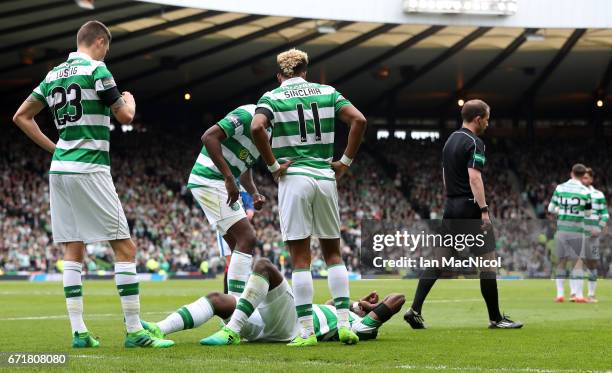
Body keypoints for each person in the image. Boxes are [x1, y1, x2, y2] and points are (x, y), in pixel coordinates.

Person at [11, 20, 173, 348]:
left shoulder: (54, 74)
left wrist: (56, 149)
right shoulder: (98, 70)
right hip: (89, 168)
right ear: (100, 42)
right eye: (107, 48)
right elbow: (125, 116)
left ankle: (79, 332)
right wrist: (130, 100)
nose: (106, 53)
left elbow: (21, 116)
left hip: (60, 170)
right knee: (125, 249)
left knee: (74, 248)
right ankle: (134, 331)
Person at [248, 48, 367, 346]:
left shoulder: (272, 97)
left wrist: (273, 165)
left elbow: (256, 127)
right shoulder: (327, 91)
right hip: (326, 177)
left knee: (301, 258)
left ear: (280, 75)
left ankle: (305, 332)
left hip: (294, 178)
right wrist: (344, 162)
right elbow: (359, 121)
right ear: (305, 71)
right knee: (334, 254)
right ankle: (343, 324)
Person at [404, 99, 522, 329]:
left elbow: (446, 174)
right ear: (478, 118)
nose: (489, 123)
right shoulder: (475, 142)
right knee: (488, 264)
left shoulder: (450, 140)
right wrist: (484, 210)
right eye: (487, 118)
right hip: (469, 207)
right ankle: (495, 318)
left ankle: (414, 309)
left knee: (439, 260)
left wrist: (453, 200)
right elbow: (475, 177)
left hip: (451, 205)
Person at [142, 258, 405, 345]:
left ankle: (232, 331)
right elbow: (326, 305)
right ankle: (158, 330)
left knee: (264, 266)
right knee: (218, 300)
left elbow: (398, 299)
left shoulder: (362, 328)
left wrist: (367, 308)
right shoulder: (342, 315)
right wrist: (354, 302)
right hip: (272, 324)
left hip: (291, 327)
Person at [187, 104, 267, 300]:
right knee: (247, 237)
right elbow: (208, 137)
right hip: (210, 179)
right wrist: (229, 178)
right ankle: (237, 308)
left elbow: (245, 172)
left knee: (238, 247)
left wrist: (255, 193)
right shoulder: (247, 115)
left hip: (216, 182)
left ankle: (232, 309)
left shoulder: (267, 134)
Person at [548, 163, 592, 303]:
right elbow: (588, 213)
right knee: (577, 263)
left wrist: (561, 211)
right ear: (583, 175)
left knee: (561, 262)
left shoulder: (560, 188)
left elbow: (551, 208)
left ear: (571, 173)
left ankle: (560, 294)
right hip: (578, 230)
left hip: (562, 230)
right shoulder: (586, 192)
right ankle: (578, 295)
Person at [580, 167, 607, 303]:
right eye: (582, 177)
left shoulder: (599, 195)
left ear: (591, 179)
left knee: (592, 265)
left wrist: (599, 229)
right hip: (578, 235)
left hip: (593, 236)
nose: (584, 180)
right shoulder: (576, 194)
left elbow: (605, 215)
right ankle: (577, 295)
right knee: (576, 264)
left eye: (586, 177)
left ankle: (591, 295)